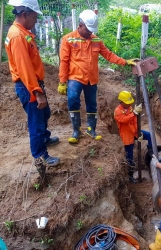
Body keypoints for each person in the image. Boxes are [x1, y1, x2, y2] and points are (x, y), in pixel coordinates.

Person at [58, 9, 138, 144]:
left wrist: (125, 62)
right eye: (88, 30)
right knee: (72, 99)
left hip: (91, 78)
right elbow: (64, 61)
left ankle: (91, 129)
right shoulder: (69, 39)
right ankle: (76, 130)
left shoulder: (96, 40)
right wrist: (62, 81)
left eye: (91, 30)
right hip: (75, 77)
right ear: (80, 24)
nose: (90, 32)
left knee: (92, 104)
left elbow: (109, 55)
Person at [5, 0, 60, 179]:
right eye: (35, 16)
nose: (36, 20)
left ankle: (45, 138)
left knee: (45, 114)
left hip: (33, 83)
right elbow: (24, 68)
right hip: (28, 85)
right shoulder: (17, 36)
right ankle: (40, 156)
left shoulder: (23, 32)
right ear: (24, 13)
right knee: (36, 122)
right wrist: (37, 93)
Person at [114, 91, 161, 180]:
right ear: (121, 102)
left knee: (149, 136)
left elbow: (134, 121)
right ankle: (130, 176)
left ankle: (153, 156)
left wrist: (138, 133)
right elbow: (124, 120)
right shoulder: (117, 111)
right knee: (129, 155)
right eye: (127, 103)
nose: (129, 104)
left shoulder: (129, 108)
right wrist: (134, 113)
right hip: (127, 135)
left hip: (134, 131)